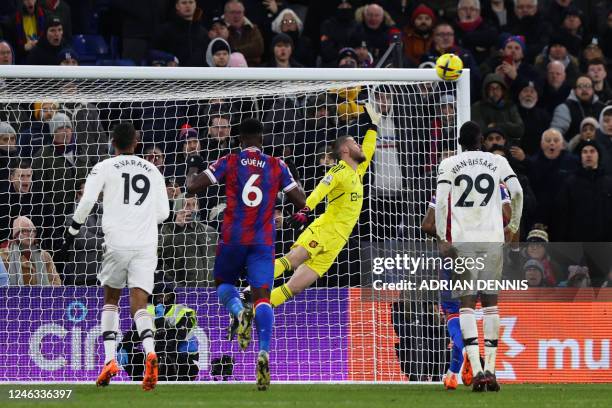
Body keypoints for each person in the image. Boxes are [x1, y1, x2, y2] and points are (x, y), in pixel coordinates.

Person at [185, 118, 306, 391]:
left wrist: (193, 168)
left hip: (233, 239)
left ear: (239, 139)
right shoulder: (277, 165)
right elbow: (301, 200)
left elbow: (194, 187)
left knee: (223, 284)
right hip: (263, 242)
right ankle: (263, 352)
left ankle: (239, 312)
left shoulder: (229, 160)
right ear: (262, 139)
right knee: (263, 297)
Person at [61, 123, 169, 390]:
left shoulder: (104, 167)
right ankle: (150, 351)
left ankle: (110, 360)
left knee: (111, 299)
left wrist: (73, 229)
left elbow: (86, 202)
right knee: (140, 304)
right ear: (136, 142)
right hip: (146, 244)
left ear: (112, 142)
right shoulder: (153, 169)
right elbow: (164, 213)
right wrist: (141, 219)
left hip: (117, 242)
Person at [434, 121, 523, 391]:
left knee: (467, 306)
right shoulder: (496, 161)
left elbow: (440, 203)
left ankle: (476, 370)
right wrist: (514, 226)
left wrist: (442, 236)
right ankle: (492, 372)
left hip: (464, 243)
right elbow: (517, 192)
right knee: (492, 306)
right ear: (482, 139)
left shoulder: (449, 164)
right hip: (492, 240)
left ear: (459, 141)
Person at [269, 103, 379, 307]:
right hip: (325, 229)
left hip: (338, 240)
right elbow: (320, 191)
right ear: (345, 150)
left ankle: (256, 308)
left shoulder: (358, 171)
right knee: (293, 260)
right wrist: (305, 210)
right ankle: (251, 289)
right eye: (355, 143)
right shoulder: (337, 171)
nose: (359, 146)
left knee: (295, 287)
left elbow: (369, 149)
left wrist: (372, 127)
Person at [421, 182, 511, 389]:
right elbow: (509, 218)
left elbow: (426, 225)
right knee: (488, 310)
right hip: (487, 256)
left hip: (455, 258)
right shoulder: (497, 183)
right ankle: (456, 373)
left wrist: (446, 239)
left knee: (456, 314)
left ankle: (467, 354)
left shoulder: (447, 185)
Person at [117, 280, 200, 381]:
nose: (162, 301)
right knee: (129, 353)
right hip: (158, 356)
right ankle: (139, 383)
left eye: (167, 297)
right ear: (153, 298)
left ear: (172, 297)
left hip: (185, 361)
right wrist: (122, 347)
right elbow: (131, 337)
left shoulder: (185, 313)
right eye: (159, 297)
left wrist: (160, 321)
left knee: (164, 355)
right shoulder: (147, 312)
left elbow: (173, 341)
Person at [0, 216, 61, 286]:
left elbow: (56, 281)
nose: (30, 234)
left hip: (43, 295)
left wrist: (43, 292)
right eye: (24, 231)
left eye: (33, 231)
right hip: (14, 296)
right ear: (16, 235)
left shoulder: (45, 256)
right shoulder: (3, 256)